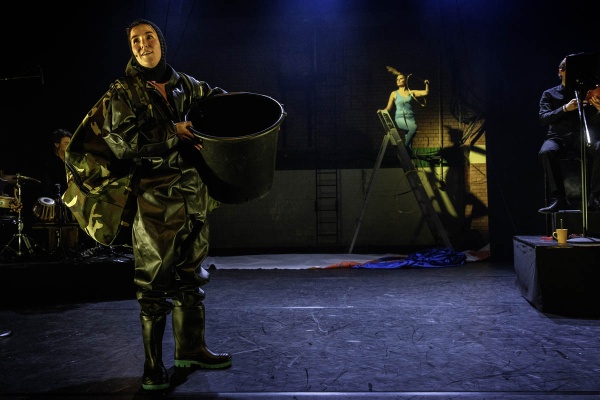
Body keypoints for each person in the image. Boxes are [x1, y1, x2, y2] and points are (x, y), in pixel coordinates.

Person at [92, 18, 231, 391]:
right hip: (154, 201)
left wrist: (239, 110)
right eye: (135, 40)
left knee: (191, 278)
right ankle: (153, 366)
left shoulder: (188, 86)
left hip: (194, 197)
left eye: (148, 37)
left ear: (161, 42)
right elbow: (121, 143)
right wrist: (173, 132)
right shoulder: (122, 92)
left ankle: (191, 350)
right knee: (152, 286)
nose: (142, 44)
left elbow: (220, 105)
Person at [537, 55, 600, 213]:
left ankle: (594, 197)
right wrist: (565, 108)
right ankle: (559, 199)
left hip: (581, 137)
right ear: (561, 72)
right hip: (557, 137)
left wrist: (599, 110)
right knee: (546, 151)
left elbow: (593, 121)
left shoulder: (585, 93)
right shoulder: (549, 94)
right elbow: (544, 118)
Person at [379, 66, 429, 154]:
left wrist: (427, 84)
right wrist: (382, 111)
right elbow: (388, 108)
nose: (398, 80)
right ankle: (404, 149)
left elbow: (426, 92)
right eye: (397, 79)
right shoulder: (394, 93)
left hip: (411, 117)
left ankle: (408, 155)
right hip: (400, 118)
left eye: (400, 79)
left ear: (405, 80)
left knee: (408, 137)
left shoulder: (411, 92)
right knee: (413, 128)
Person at [40, 129, 72, 200]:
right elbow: (45, 186)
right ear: (57, 144)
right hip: (55, 200)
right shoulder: (48, 162)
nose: (69, 146)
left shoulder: (72, 161)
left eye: (70, 143)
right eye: (66, 143)